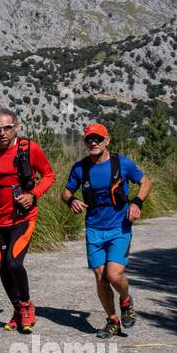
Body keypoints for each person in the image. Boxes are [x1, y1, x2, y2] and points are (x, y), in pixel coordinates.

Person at [60, 123, 153, 339]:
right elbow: (65, 193)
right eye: (89, 140)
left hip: (119, 227)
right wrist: (72, 200)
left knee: (114, 274)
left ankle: (126, 301)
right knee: (100, 277)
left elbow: (145, 182)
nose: (93, 143)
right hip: (94, 228)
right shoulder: (80, 168)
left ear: (106, 141)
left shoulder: (122, 163)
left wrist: (137, 202)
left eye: (97, 139)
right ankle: (112, 320)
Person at [0, 110, 56, 333]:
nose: (2, 133)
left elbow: (49, 175)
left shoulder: (29, 149)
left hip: (23, 216)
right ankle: (17, 309)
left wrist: (34, 195)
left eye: (7, 127)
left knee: (13, 262)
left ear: (16, 127)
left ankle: (27, 305)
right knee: (2, 266)